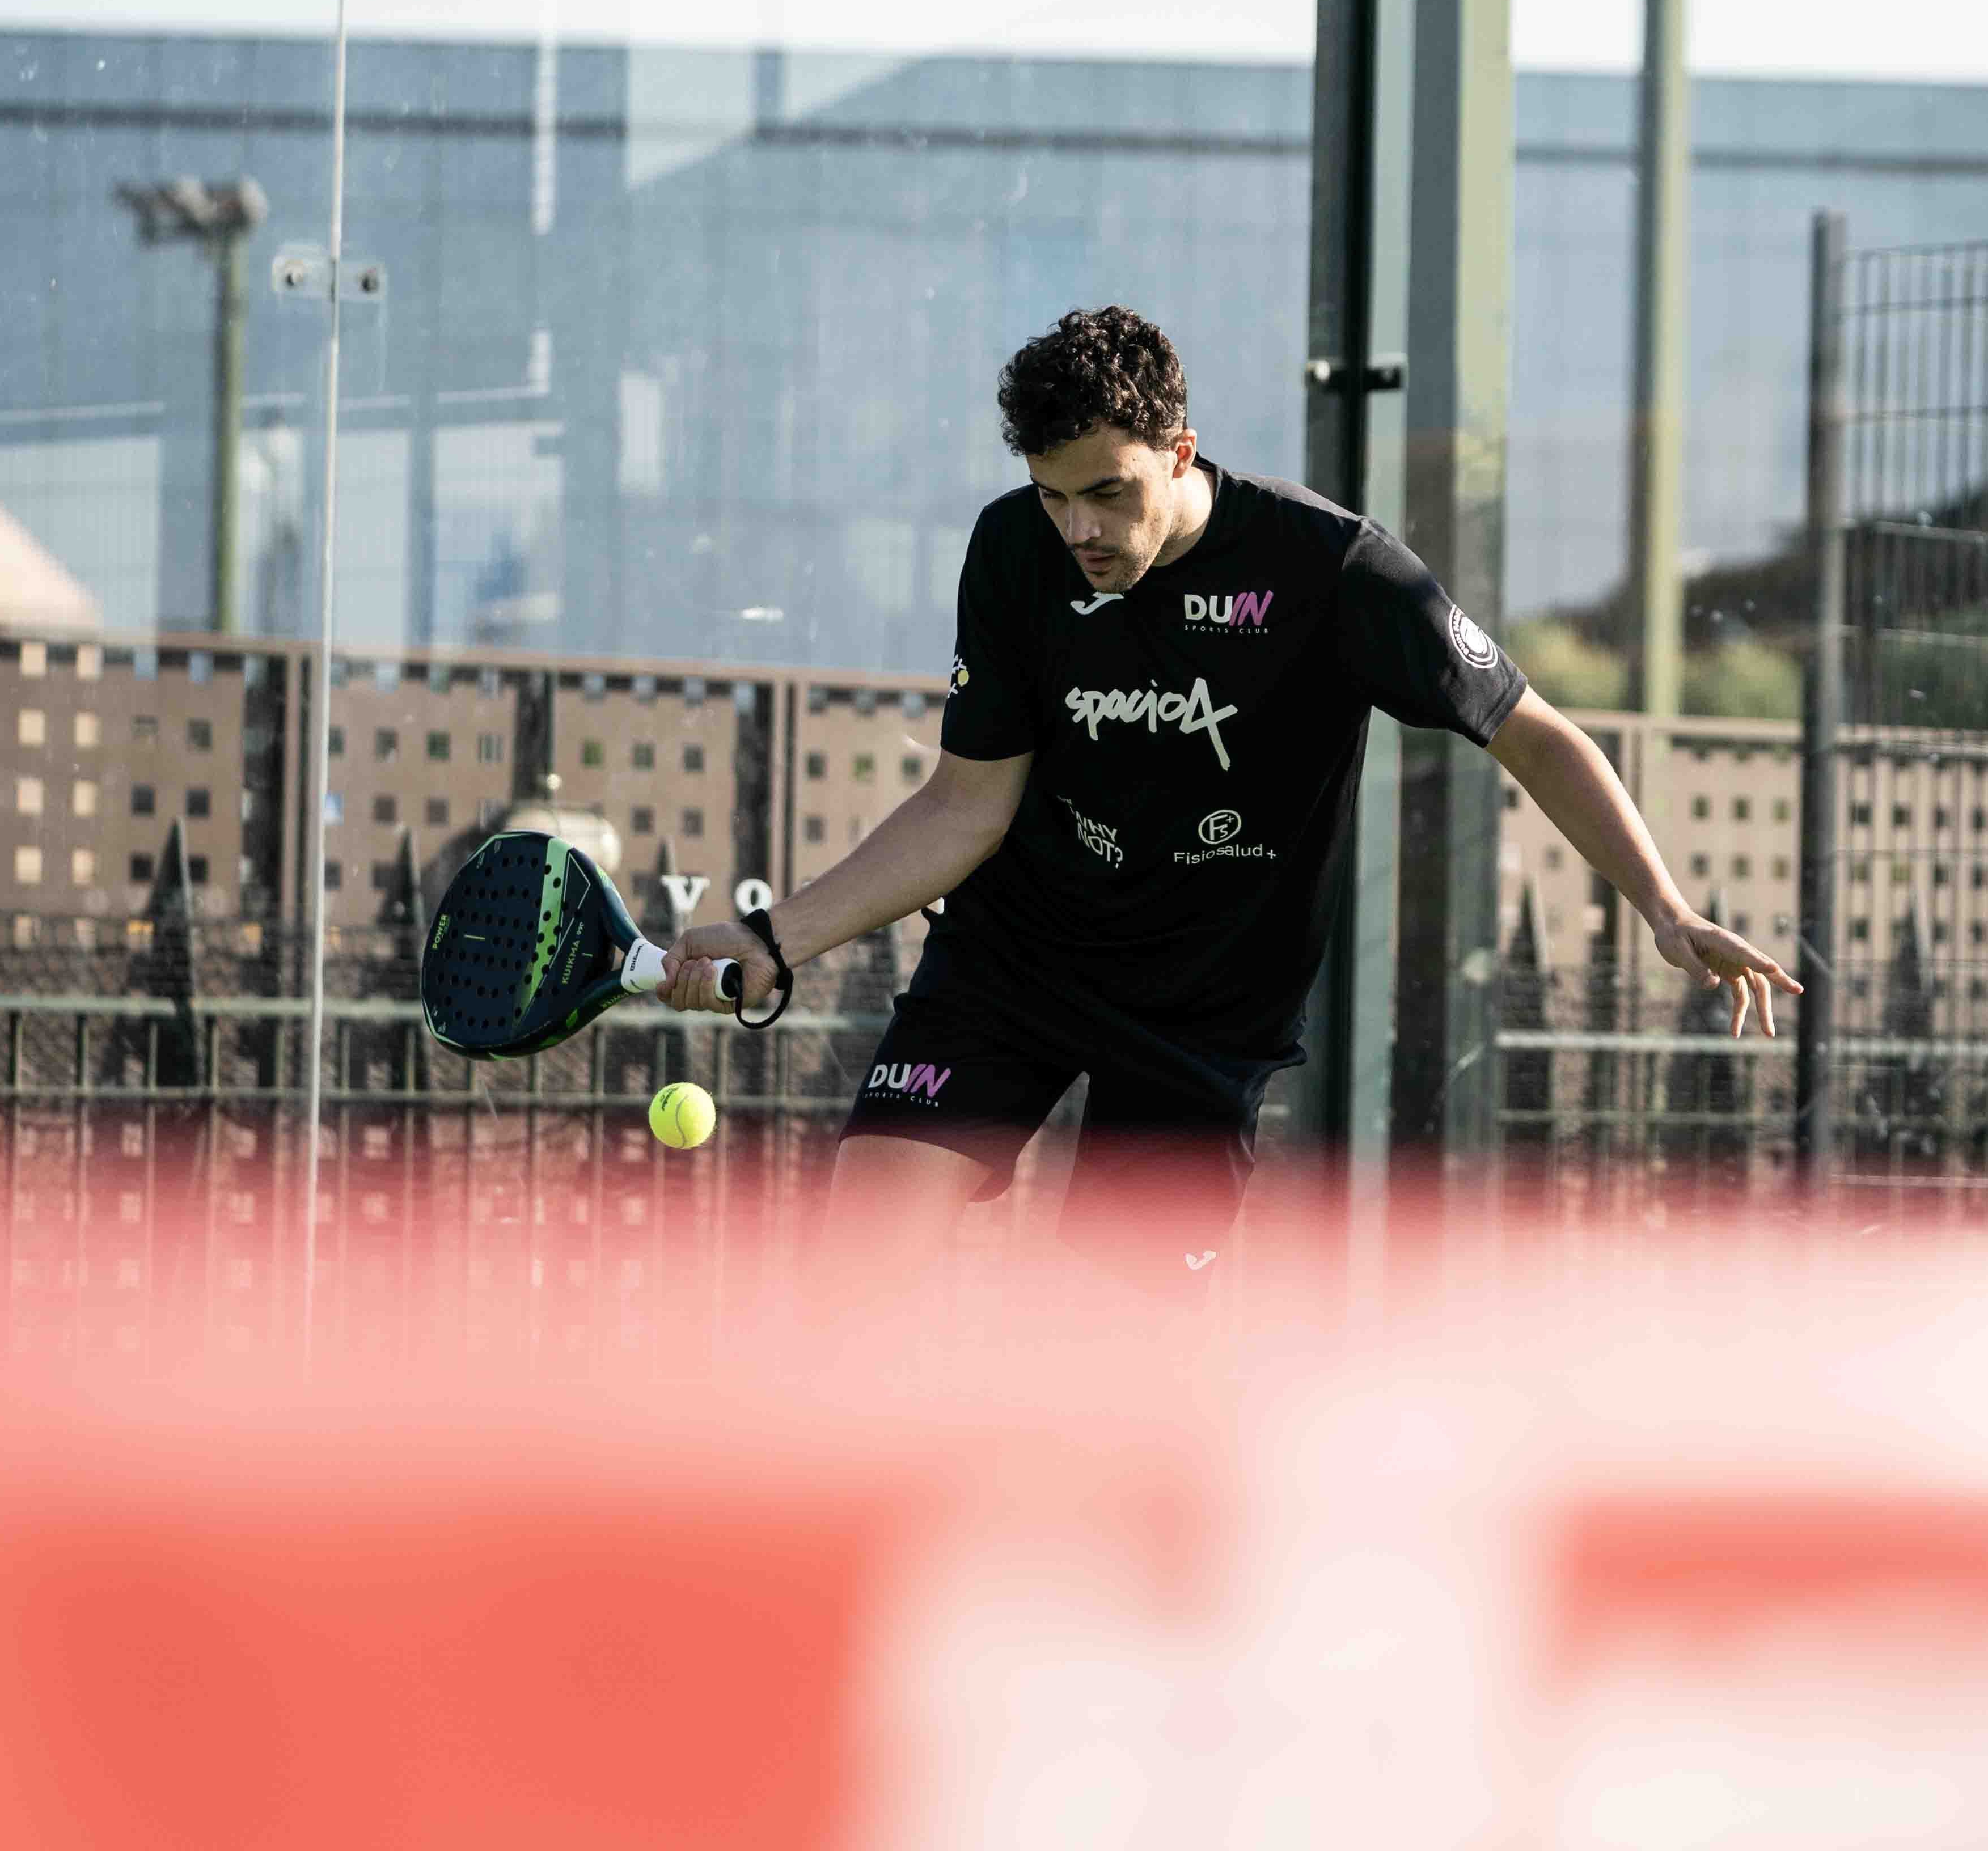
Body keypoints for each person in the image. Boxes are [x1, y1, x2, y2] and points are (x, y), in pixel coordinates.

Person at [661, 306, 1797, 1290]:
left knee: (1106, 1348)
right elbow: (967, 804)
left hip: (1201, 1019)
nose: (1079, 530)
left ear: (1181, 452)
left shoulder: (1335, 570)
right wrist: (774, 936)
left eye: (1108, 493)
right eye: (1054, 496)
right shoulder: (1013, 550)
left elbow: (1533, 734)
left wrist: (1664, 906)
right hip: (1014, 966)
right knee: (856, 1259)